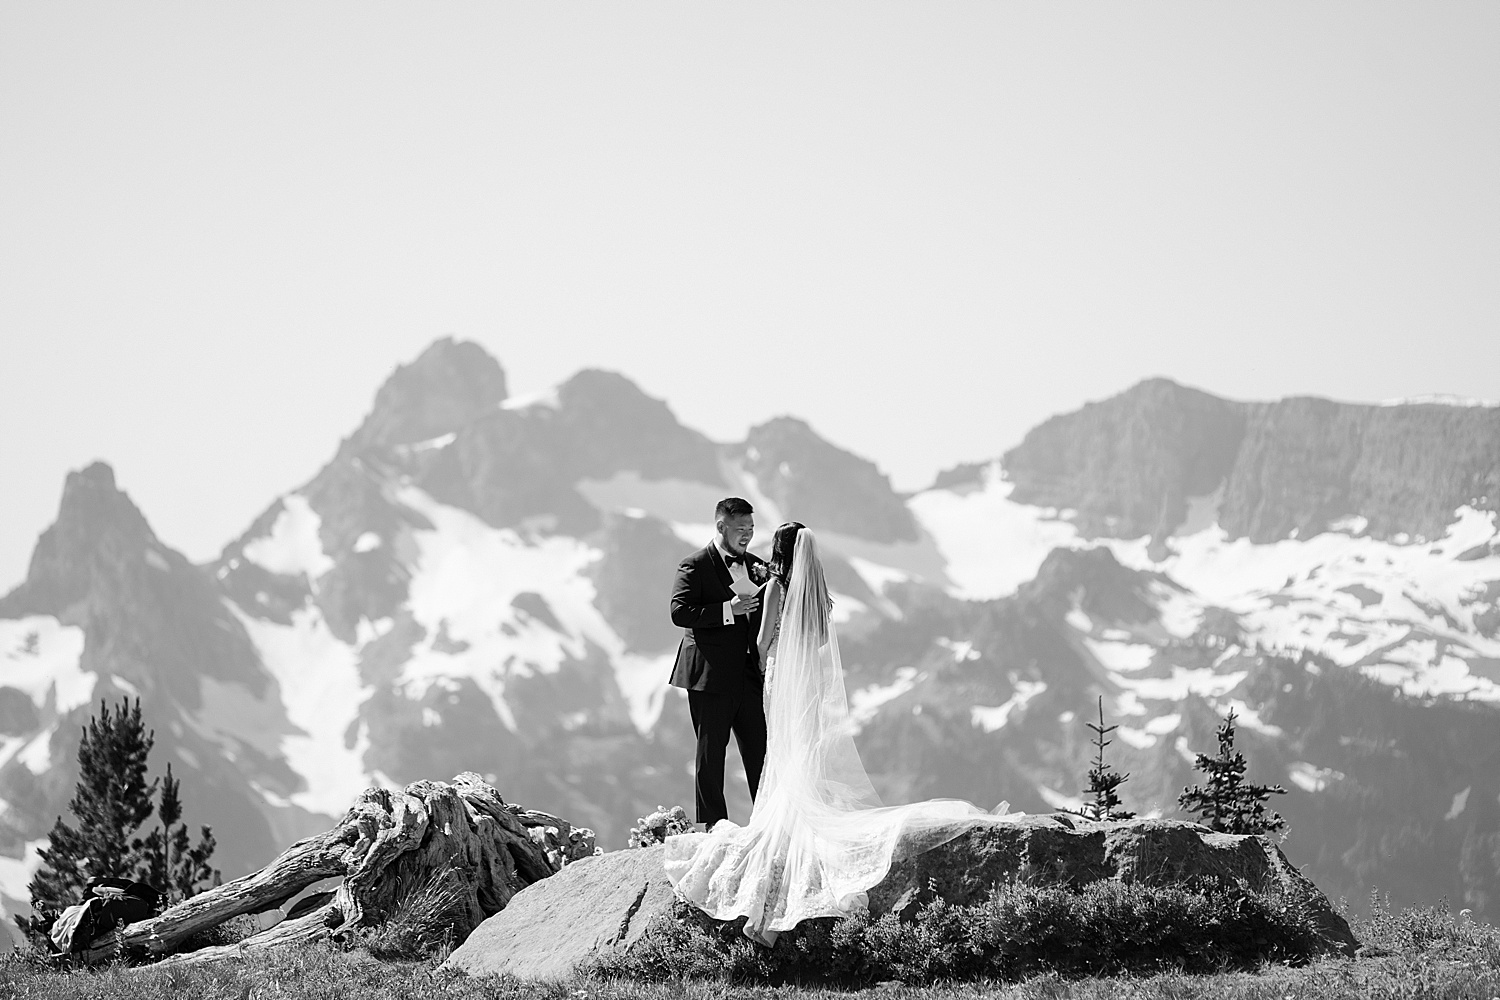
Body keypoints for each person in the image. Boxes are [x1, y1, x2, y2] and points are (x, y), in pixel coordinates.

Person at [663, 522, 1018, 946]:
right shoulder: (817, 593)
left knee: (780, 748)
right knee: (800, 748)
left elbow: (760, 643)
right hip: (809, 680)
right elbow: (814, 641)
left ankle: (785, 821)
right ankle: (801, 807)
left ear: (779, 550)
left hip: (781, 677)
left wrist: (760, 662)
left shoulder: (777, 587)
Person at [668, 497, 770, 832]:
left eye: (751, 529)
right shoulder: (694, 565)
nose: (747, 536)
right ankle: (714, 827)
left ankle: (768, 822)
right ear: (721, 527)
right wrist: (728, 610)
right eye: (741, 529)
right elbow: (679, 612)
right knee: (711, 754)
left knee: (761, 751)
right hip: (709, 676)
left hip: (748, 675)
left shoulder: (757, 565)